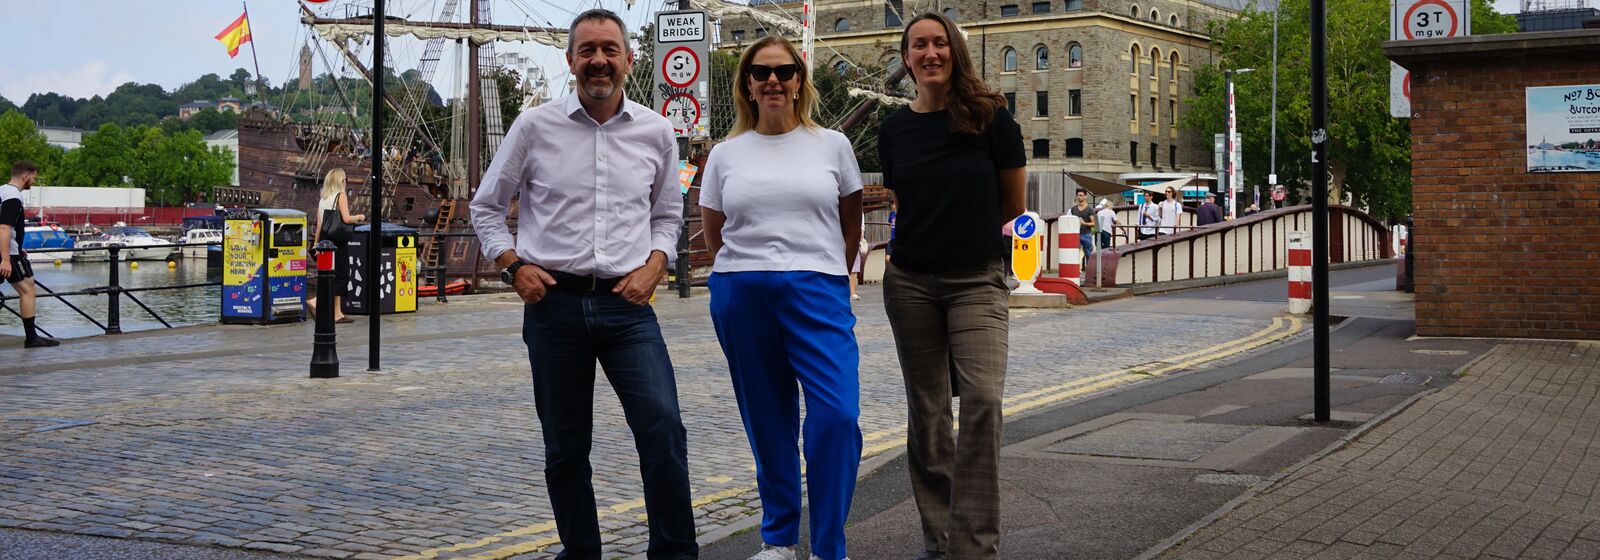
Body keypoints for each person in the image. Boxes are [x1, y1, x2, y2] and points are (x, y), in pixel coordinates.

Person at [468, 9, 697, 560]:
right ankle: (582, 552)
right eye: (588, 50)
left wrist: (656, 264)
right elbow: (486, 206)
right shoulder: (534, 126)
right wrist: (512, 266)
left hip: (627, 306)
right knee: (566, 447)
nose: (599, 60)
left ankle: (674, 552)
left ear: (628, 60)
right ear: (570, 60)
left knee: (662, 427)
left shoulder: (655, 131)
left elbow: (668, 214)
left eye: (609, 50)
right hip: (555, 307)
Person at [700, 36, 865, 560]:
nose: (773, 80)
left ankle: (827, 546)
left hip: (818, 288)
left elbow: (850, 222)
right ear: (746, 83)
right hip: (741, 290)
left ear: (799, 81)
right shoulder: (724, 155)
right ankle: (777, 540)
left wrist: (833, 274)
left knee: (837, 416)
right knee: (767, 418)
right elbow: (713, 234)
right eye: (761, 71)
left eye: (785, 71)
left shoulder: (832, 144)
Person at [878, 12, 1025, 560]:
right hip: (910, 282)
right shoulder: (893, 129)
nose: (931, 52)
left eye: (940, 43)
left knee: (983, 399)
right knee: (929, 412)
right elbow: (902, 200)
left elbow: (1013, 205)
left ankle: (974, 547)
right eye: (920, 45)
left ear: (954, 51)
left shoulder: (990, 117)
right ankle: (939, 541)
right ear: (907, 57)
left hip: (977, 280)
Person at [1, 161, 58, 348]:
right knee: (27, 289)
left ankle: (32, 336)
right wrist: (6, 258)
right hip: (6, 253)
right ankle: (31, 338)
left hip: (11, 249)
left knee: (29, 284)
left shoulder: (2, 191)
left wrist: (17, 246)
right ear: (26, 175)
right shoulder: (13, 198)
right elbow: (3, 227)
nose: (33, 182)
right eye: (33, 178)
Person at [307, 168, 364, 324]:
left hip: (325, 239)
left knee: (331, 273)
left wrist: (317, 244)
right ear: (340, 181)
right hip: (337, 239)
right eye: (345, 180)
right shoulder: (341, 196)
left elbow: (319, 224)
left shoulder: (323, 198)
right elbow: (346, 219)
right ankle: (316, 301)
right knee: (342, 274)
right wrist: (359, 217)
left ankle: (337, 313)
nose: (346, 182)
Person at [1067, 188, 1095, 255]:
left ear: (1085, 196)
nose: (1079, 197)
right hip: (1075, 234)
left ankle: (1089, 265)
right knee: (1074, 253)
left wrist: (1084, 223)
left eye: (1081, 195)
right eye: (1078, 195)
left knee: (1089, 254)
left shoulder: (1090, 209)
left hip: (1086, 234)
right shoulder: (1073, 209)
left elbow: (1094, 223)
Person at [849, 214, 867, 301]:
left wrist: (862, 231)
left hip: (854, 241)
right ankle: (849, 292)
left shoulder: (859, 211)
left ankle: (852, 292)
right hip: (843, 241)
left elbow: (862, 225)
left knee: (854, 268)